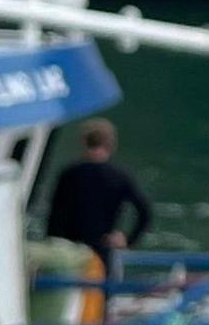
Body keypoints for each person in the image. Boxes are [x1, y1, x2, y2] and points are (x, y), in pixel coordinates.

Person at [43, 119, 154, 279]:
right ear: (111, 144)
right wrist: (128, 240)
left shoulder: (69, 174)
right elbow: (145, 212)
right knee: (100, 295)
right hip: (102, 250)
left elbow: (54, 216)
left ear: (83, 142)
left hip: (69, 252)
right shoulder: (120, 176)